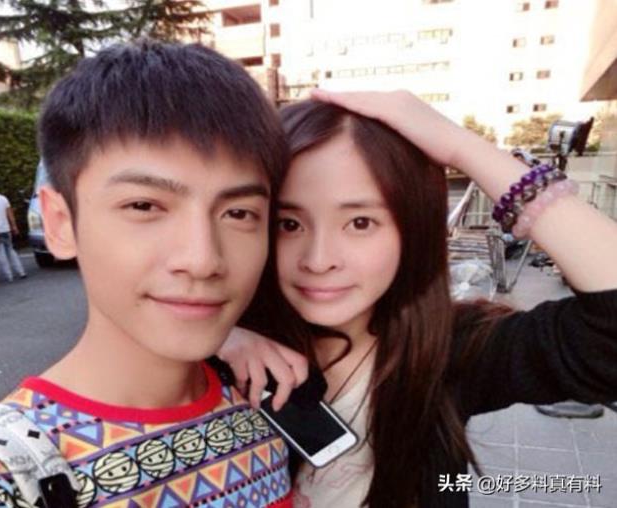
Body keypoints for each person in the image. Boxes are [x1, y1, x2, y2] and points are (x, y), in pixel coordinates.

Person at [0, 40, 295, 508]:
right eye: (144, 205)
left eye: (238, 213)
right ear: (60, 224)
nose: (203, 260)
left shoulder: (263, 406)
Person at [219, 90, 617, 508]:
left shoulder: (449, 350)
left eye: (360, 222)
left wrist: (460, 146)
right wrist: (215, 338)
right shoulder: (224, 352)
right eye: (288, 223)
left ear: (412, 228)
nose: (318, 260)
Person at [0, 190, 27, 282]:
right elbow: (10, 215)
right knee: (10, 249)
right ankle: (21, 271)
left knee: (0, 252)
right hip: (5, 229)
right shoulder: (3, 198)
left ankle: (8, 275)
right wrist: (14, 226)